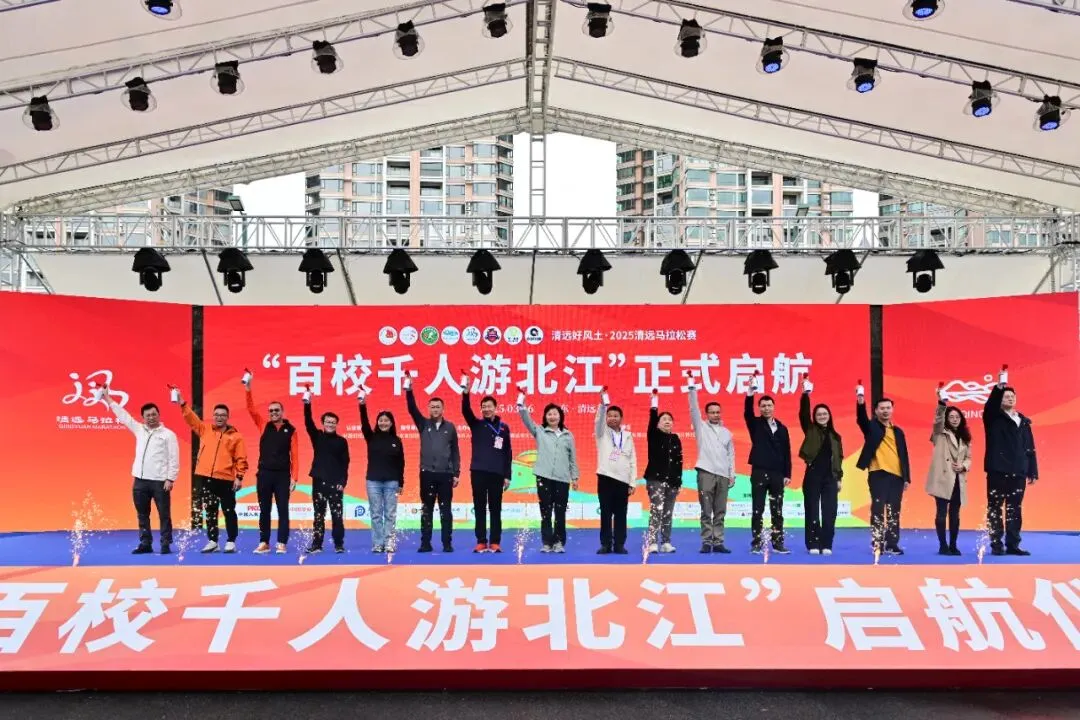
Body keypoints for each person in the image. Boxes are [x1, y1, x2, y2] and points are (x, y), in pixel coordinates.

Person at [102, 387, 180, 555]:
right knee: (142, 515)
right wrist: (107, 398)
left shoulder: (168, 435)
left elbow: (174, 459)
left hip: (160, 482)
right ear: (143, 418)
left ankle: (165, 543)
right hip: (140, 481)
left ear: (159, 415)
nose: (151, 417)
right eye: (147, 415)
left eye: (154, 414)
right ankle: (145, 543)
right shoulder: (139, 430)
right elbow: (123, 415)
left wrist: (170, 479)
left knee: (164, 514)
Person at [174, 389, 248, 553]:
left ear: (227, 417)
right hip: (206, 478)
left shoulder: (236, 436)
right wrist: (182, 403)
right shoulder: (205, 429)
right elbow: (191, 418)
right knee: (210, 511)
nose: (219, 417)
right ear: (213, 416)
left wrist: (239, 477)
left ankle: (231, 541)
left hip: (227, 479)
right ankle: (213, 541)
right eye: (216, 414)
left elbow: (241, 458)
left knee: (229, 510)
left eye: (223, 415)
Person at [983, 367, 1038, 556]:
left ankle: (1013, 544)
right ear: (1000, 399)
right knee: (995, 507)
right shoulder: (993, 418)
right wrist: (1000, 386)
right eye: (1006, 396)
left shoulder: (1024, 421)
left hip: (1019, 471)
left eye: (1012, 396)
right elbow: (990, 406)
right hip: (997, 470)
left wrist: (1032, 470)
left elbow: (1029, 447)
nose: (1010, 398)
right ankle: (996, 544)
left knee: (1015, 509)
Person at [517, 390, 579, 553]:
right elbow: (526, 419)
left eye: (555, 414)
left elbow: (572, 458)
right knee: (545, 512)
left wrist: (575, 477)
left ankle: (559, 543)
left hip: (562, 479)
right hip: (543, 477)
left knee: (560, 513)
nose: (552, 417)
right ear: (545, 417)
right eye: (549, 414)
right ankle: (546, 542)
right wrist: (521, 402)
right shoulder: (539, 431)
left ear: (560, 416)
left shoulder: (568, 435)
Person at [405, 375, 460, 553]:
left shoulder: (450, 427)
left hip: (445, 475)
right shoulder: (423, 424)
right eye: (432, 407)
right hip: (427, 474)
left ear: (443, 409)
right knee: (427, 509)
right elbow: (412, 409)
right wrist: (409, 390)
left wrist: (456, 473)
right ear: (428, 409)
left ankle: (447, 543)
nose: (435, 409)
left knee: (446, 510)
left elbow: (455, 451)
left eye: (438, 407)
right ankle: (425, 543)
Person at [244, 375, 299, 554]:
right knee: (264, 510)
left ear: (282, 412)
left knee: (283, 509)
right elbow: (250, 409)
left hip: (282, 476)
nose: (273, 413)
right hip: (265, 474)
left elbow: (295, 455)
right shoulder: (263, 425)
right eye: (271, 411)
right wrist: (248, 389)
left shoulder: (291, 430)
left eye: (276, 410)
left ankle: (282, 542)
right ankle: (264, 542)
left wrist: (295, 477)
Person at [855, 384, 911, 556]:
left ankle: (892, 544)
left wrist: (907, 478)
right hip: (878, 474)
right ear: (876, 411)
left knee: (894, 512)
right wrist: (860, 402)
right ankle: (877, 542)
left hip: (897, 476)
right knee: (878, 510)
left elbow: (904, 455)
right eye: (882, 408)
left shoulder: (898, 431)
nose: (885, 411)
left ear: (892, 410)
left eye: (888, 408)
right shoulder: (872, 427)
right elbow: (861, 420)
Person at [461, 380, 513, 554]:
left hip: (497, 474)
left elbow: (507, 453)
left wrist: (507, 475)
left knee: (495, 508)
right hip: (478, 472)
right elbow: (465, 410)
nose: (486, 409)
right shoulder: (476, 424)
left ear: (495, 408)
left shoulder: (504, 428)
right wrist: (466, 393)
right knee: (480, 507)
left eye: (489, 406)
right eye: (483, 407)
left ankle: (495, 542)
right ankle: (481, 541)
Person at [687, 376, 735, 554]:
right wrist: (692, 389)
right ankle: (707, 541)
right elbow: (693, 409)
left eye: (717, 412)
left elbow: (731, 455)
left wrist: (732, 474)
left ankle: (719, 541)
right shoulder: (701, 428)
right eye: (712, 412)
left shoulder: (727, 433)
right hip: (705, 473)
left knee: (720, 511)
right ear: (706, 414)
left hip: (723, 475)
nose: (715, 414)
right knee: (706, 510)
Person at [744, 379, 793, 554]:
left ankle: (778, 543)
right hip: (759, 471)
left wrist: (787, 474)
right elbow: (747, 412)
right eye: (763, 406)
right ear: (759, 408)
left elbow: (787, 452)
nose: (766, 408)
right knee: (757, 509)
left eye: (769, 405)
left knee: (777, 510)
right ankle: (756, 543)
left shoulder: (782, 428)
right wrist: (750, 392)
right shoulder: (755, 424)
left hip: (777, 474)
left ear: (774, 407)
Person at [797, 378, 843, 555]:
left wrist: (839, 478)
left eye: (824, 414)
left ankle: (827, 544)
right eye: (818, 414)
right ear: (814, 417)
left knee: (830, 511)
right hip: (813, 475)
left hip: (830, 477)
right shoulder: (810, 430)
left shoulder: (836, 437)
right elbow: (803, 414)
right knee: (812, 510)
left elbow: (839, 458)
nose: (822, 416)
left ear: (829, 416)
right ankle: (813, 544)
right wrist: (805, 395)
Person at [302, 390, 350, 554]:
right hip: (319, 482)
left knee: (337, 515)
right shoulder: (317, 437)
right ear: (323, 423)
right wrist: (307, 404)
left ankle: (339, 544)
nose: (330, 424)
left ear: (337, 424)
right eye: (328, 422)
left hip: (335, 484)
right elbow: (308, 422)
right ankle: (317, 545)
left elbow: (345, 463)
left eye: (333, 422)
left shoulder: (342, 441)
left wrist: (342, 482)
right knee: (319, 515)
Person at [927, 385, 971, 556]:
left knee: (955, 514)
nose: (954, 419)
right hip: (943, 478)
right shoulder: (940, 433)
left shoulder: (965, 437)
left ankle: (953, 544)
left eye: (957, 416)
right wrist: (941, 404)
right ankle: (942, 545)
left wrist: (964, 466)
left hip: (958, 479)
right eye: (951, 416)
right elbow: (938, 419)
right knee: (941, 513)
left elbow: (969, 457)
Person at [360, 390, 405, 553]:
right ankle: (378, 543)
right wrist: (362, 404)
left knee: (390, 514)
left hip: (392, 482)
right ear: (377, 422)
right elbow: (364, 423)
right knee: (376, 514)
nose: (383, 423)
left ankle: (389, 542)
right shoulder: (371, 437)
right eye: (381, 420)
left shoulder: (397, 440)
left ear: (391, 423)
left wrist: (401, 482)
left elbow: (401, 463)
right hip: (373, 482)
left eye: (386, 420)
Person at [594, 387, 637, 555]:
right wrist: (603, 404)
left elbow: (632, 460)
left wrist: (632, 482)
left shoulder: (628, 436)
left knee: (621, 514)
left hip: (623, 480)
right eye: (609, 416)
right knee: (605, 514)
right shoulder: (602, 433)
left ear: (621, 418)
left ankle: (619, 544)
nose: (612, 418)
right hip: (605, 478)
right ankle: (605, 544)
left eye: (616, 415)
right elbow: (598, 421)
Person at [644, 390, 683, 554]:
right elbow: (652, 420)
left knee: (668, 512)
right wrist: (654, 405)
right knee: (657, 510)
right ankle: (652, 542)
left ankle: (666, 542)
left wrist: (678, 482)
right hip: (656, 480)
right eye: (664, 419)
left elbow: (679, 461)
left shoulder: (675, 439)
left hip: (672, 481)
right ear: (658, 424)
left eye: (669, 419)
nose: (667, 421)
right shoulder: (654, 435)